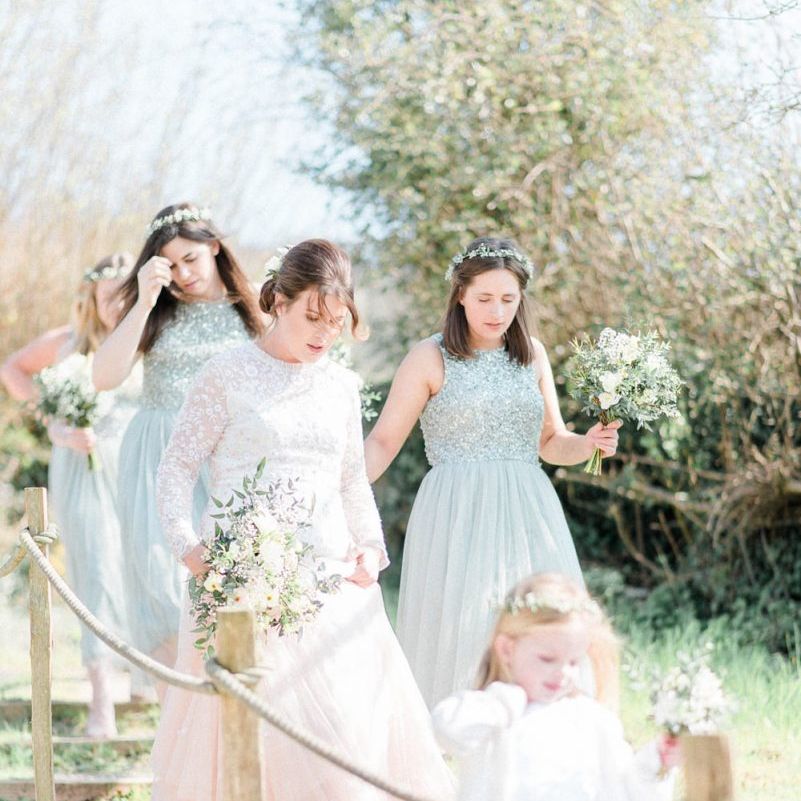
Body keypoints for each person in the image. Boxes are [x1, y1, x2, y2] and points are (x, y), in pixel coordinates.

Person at [151, 240, 454, 801]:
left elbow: (348, 480)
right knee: (255, 741)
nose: (323, 334)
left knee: (343, 742)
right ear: (279, 301)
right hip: (240, 583)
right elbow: (174, 472)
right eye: (313, 317)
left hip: (332, 583)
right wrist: (189, 548)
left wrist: (369, 543)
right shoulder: (226, 375)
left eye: (336, 323)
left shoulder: (340, 385)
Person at [364, 237, 621, 707]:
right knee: (465, 620)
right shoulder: (430, 356)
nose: (496, 311)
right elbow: (382, 441)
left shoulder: (532, 354)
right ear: (460, 294)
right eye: (484, 298)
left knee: (536, 617)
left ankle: (544, 726)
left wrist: (587, 444)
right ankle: (461, 732)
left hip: (528, 508)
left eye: (508, 299)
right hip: (456, 509)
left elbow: (550, 441)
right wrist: (340, 485)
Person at [92, 204, 262, 680]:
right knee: (164, 589)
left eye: (192, 258)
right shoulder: (156, 311)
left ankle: (224, 708)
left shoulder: (252, 310)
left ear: (213, 246)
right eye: (173, 265)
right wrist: (144, 300)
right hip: (157, 455)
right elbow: (103, 377)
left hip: (227, 459)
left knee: (223, 587)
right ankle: (177, 714)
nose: (184, 274)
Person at [1, 253, 137, 737]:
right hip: (82, 471)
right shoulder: (66, 344)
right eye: (109, 297)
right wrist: (55, 422)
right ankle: (102, 704)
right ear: (92, 299)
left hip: (135, 470)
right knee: (95, 573)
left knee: (140, 569)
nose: (118, 306)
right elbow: (12, 368)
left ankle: (143, 682)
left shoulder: (147, 340)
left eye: (127, 295)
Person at [432, 572, 681, 801]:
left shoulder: (590, 719)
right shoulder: (493, 711)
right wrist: (503, 703)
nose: (563, 673)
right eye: (547, 659)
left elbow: (625, 789)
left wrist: (656, 763)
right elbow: (446, 730)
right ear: (507, 649)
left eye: (573, 661)